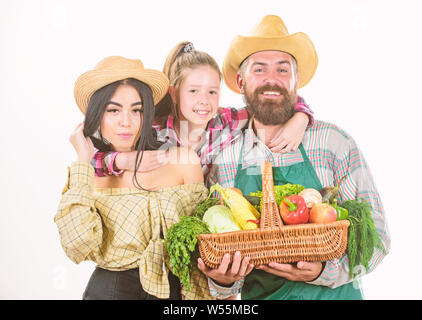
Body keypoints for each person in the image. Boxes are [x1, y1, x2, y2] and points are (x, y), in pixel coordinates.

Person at [199, 15, 391, 300]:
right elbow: (224, 277)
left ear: (296, 80)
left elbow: (377, 238)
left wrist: (322, 271)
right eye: (259, 69)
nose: (272, 80)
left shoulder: (333, 144)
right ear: (240, 81)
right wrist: (224, 282)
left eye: (282, 69)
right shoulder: (225, 160)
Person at [54, 56, 213, 300]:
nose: (126, 122)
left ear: (147, 114)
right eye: (113, 110)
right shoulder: (90, 175)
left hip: (177, 292)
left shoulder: (183, 160)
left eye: (136, 110)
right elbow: (77, 246)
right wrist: (83, 160)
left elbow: (201, 245)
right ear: (97, 115)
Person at [91, 42, 315, 183]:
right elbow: (96, 159)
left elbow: (269, 100)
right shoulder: (152, 129)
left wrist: (301, 117)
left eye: (212, 92)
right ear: (175, 93)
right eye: (193, 91)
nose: (204, 101)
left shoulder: (226, 121)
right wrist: (122, 160)